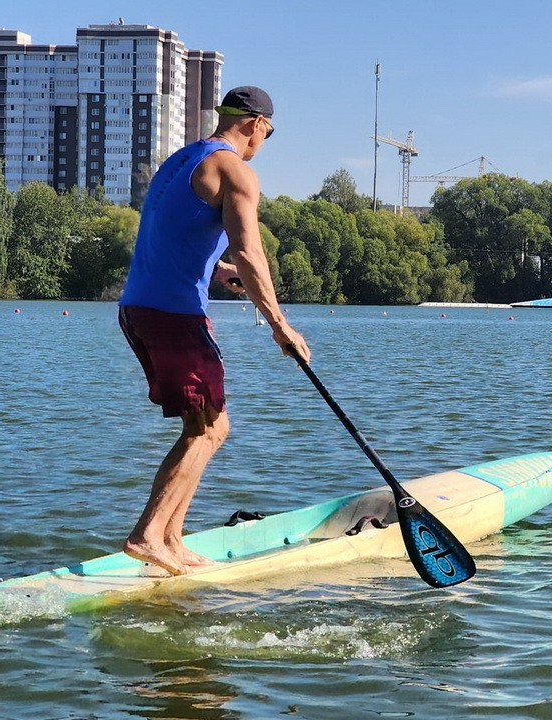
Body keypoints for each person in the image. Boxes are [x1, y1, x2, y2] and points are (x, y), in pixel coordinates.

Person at [117, 86, 311, 576]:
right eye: (267, 134)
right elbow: (252, 252)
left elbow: (172, 233)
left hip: (139, 307)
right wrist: (280, 325)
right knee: (210, 427)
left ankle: (170, 540)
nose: (262, 144)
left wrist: (218, 271)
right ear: (255, 125)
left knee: (203, 425)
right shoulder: (235, 170)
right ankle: (147, 535)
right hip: (173, 315)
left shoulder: (183, 160)